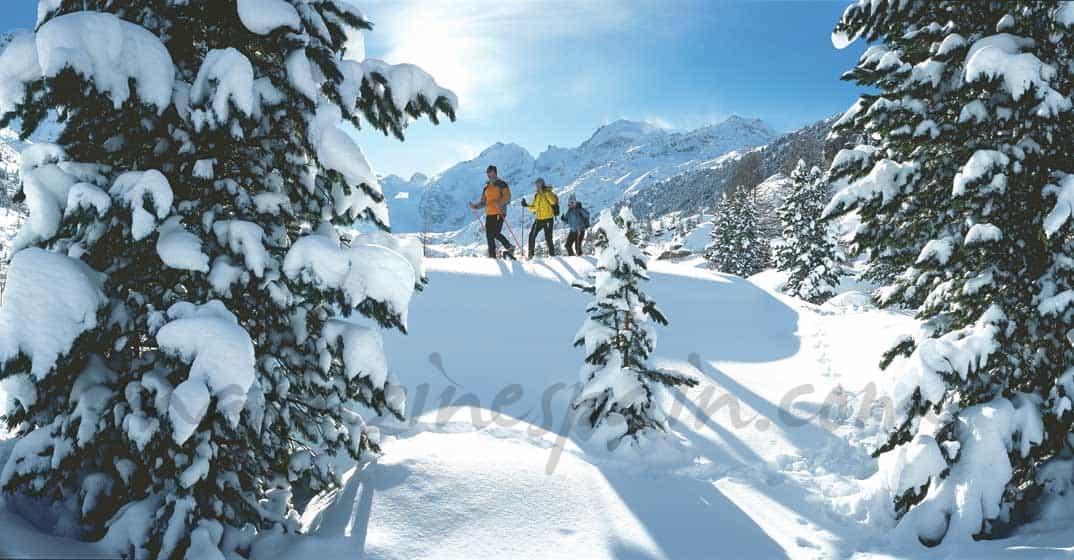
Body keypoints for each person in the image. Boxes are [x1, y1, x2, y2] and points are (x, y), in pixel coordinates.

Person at [469, 165, 515, 259]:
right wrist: (475, 206)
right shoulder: (486, 188)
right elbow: (483, 202)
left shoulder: (502, 184)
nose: (489, 174)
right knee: (489, 235)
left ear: (495, 172)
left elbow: (508, 197)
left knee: (495, 232)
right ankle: (492, 257)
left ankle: (509, 247)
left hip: (500, 212)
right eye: (488, 172)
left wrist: (499, 202)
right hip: (489, 213)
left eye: (490, 172)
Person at [520, 178, 558, 257]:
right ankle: (531, 255)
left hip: (548, 219)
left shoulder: (548, 192)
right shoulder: (537, 195)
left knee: (548, 238)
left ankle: (552, 256)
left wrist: (545, 192)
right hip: (539, 219)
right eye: (536, 184)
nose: (537, 185)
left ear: (543, 184)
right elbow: (535, 208)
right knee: (532, 235)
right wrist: (526, 205)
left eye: (539, 183)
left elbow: (553, 201)